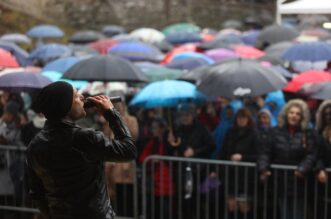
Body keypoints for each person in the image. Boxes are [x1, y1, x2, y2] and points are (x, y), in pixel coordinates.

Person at [26, 81, 136, 219]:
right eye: (77, 96)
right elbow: (128, 150)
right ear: (65, 105)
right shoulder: (85, 138)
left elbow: (36, 193)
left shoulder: (35, 145)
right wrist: (111, 113)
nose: (83, 98)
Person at [258, 99, 318, 219]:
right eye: (291, 112)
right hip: (281, 179)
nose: (294, 116)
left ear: (302, 117)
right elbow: (265, 152)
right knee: (284, 213)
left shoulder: (308, 133)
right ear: (286, 113)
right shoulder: (275, 131)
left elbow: (312, 154)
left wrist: (302, 168)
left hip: (299, 181)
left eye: (297, 113)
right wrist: (263, 167)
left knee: (298, 213)